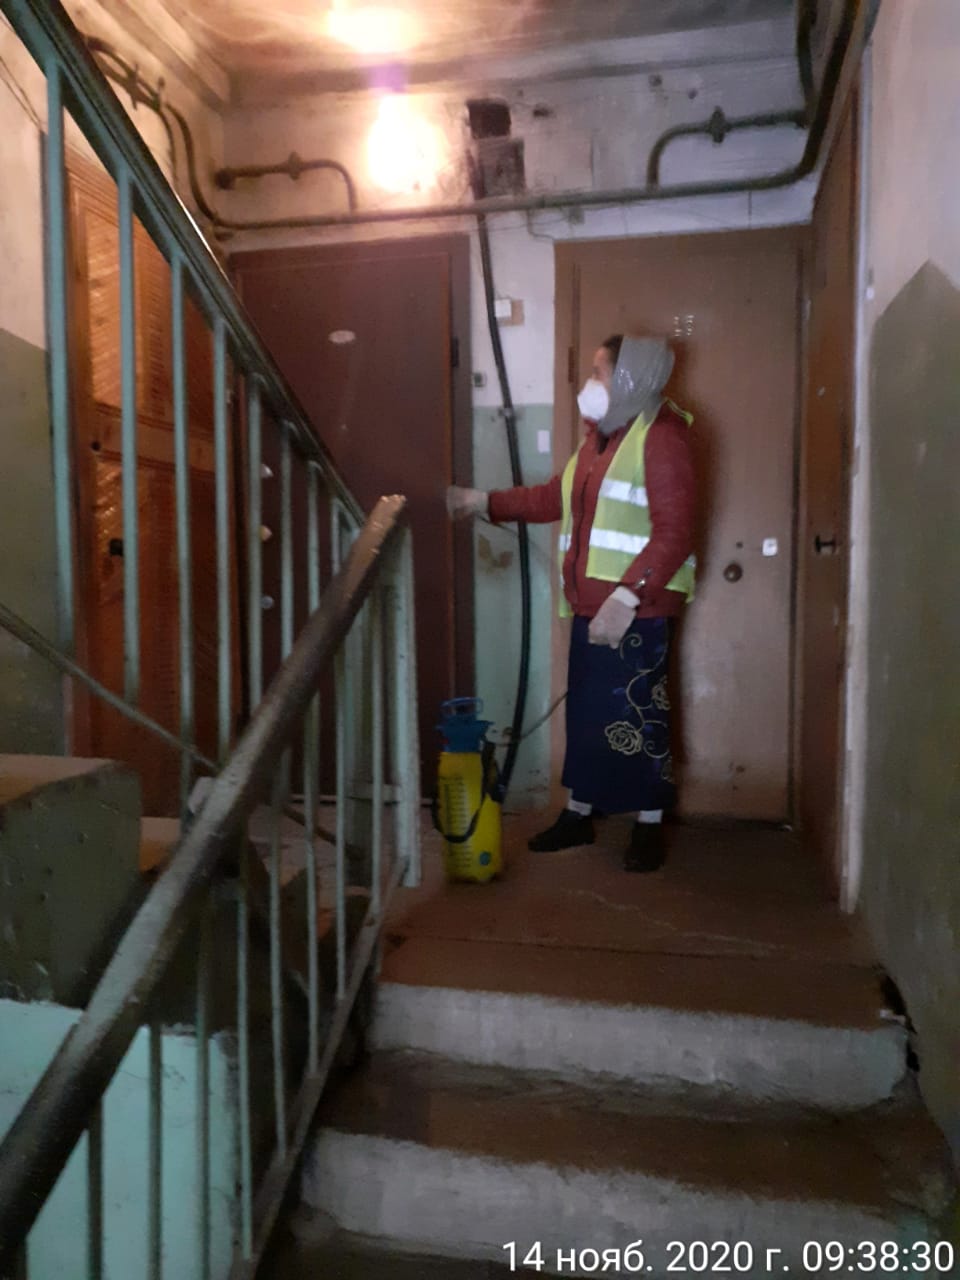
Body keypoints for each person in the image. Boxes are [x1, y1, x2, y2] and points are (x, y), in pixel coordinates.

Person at [447, 335, 696, 873]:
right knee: (587, 717)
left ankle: (650, 822)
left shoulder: (662, 437)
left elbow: (675, 533)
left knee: (640, 716)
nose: (589, 384)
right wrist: (484, 502)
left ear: (628, 379)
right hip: (590, 608)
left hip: (638, 612)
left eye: (598, 373)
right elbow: (549, 497)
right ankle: (579, 813)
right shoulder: (597, 442)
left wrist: (628, 595)